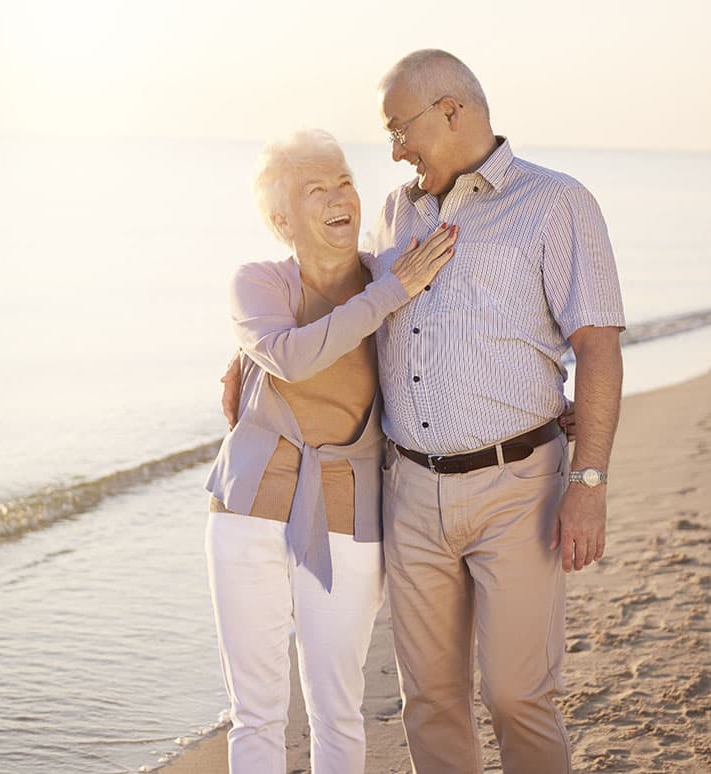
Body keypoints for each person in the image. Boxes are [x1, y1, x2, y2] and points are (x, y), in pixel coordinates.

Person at [222, 49, 622, 772]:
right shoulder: (395, 213)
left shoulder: (556, 203)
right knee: (430, 702)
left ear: (452, 112)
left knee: (515, 694)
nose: (396, 151)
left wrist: (588, 482)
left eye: (400, 130)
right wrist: (254, 355)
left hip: (517, 487)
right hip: (406, 491)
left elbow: (597, 345)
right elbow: (350, 305)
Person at [203, 128, 457, 774]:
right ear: (282, 218)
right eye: (316, 188)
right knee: (255, 714)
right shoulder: (258, 284)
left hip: (350, 515)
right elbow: (291, 358)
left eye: (344, 180)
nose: (340, 196)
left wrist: (554, 403)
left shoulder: (391, 277)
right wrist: (389, 296)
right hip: (247, 510)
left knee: (336, 712)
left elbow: (462, 351)